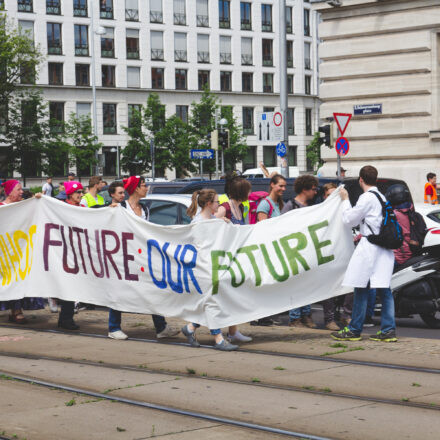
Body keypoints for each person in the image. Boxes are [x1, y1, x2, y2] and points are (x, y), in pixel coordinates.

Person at [108, 176, 180, 340]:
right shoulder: (120, 207)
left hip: (142, 257)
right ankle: (113, 327)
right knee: (119, 290)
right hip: (124, 257)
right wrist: (109, 209)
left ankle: (161, 327)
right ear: (134, 188)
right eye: (143, 185)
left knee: (151, 289)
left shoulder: (145, 208)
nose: (147, 188)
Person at [331, 165, 397, 342]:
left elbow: (348, 219)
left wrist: (345, 200)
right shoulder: (382, 197)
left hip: (369, 248)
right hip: (384, 248)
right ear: (375, 179)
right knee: (384, 289)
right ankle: (388, 330)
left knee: (360, 287)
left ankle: (354, 329)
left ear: (361, 179)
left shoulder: (366, 198)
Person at [181, 189, 238, 351]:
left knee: (210, 303)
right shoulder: (197, 222)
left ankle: (191, 327)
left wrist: (224, 225)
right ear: (208, 204)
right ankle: (218, 338)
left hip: (213, 268)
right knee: (212, 302)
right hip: (202, 270)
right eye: (217, 202)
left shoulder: (214, 220)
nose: (219, 205)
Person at [0, 180, 45, 323]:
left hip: (20, 252)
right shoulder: (1, 207)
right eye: (18, 189)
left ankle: (16, 310)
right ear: (9, 191)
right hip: (3, 252)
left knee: (19, 279)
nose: (21, 192)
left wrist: (37, 201)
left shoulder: (24, 206)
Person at [215, 178, 253, 343]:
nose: (250, 194)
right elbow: (211, 224)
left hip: (236, 258)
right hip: (224, 259)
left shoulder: (241, 206)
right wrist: (220, 220)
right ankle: (195, 326)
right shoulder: (225, 208)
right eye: (248, 191)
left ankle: (233, 330)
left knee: (235, 295)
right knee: (224, 297)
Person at [281, 175, 319, 329]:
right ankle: (295, 317)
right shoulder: (290, 206)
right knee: (296, 285)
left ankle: (306, 314)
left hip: (308, 251)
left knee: (307, 284)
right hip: (294, 252)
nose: (315, 192)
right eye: (313, 189)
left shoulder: (311, 207)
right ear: (305, 189)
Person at [252, 174, 287, 326]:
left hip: (275, 248)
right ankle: (261, 315)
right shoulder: (265, 204)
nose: (283, 189)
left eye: (284, 186)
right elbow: (262, 227)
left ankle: (268, 314)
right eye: (280, 185)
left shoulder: (278, 203)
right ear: (272, 185)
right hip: (267, 250)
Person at [56, 181, 85, 330]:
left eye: (81, 192)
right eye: (77, 192)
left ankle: (66, 318)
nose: (80, 195)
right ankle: (65, 319)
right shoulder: (62, 208)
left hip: (79, 254)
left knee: (75, 287)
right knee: (69, 287)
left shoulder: (83, 208)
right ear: (69, 194)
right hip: (65, 254)